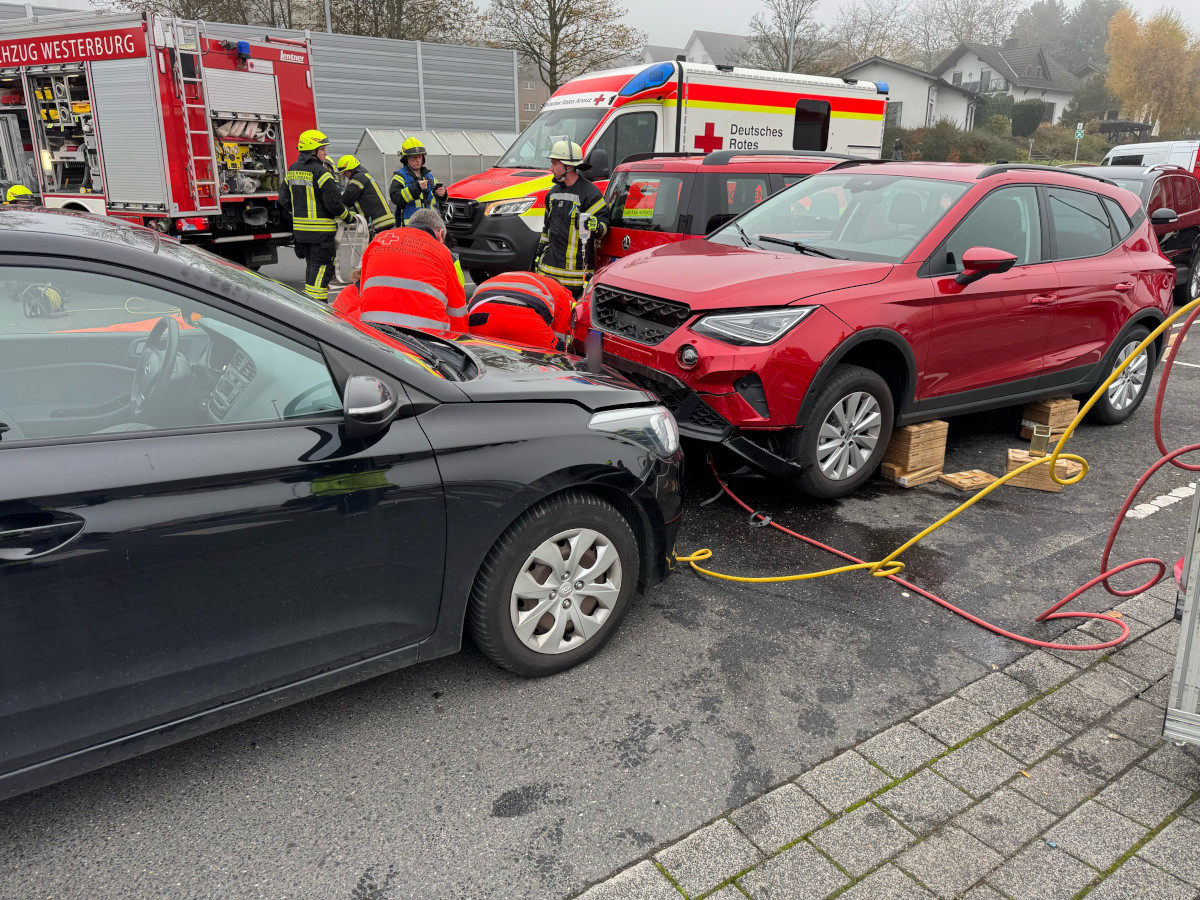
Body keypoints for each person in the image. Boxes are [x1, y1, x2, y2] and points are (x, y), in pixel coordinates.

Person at [339, 208, 467, 333]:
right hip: (426, 338)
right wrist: (461, 340)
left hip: (375, 334)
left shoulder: (380, 239)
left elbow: (363, 291)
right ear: (439, 234)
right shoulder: (442, 252)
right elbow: (457, 313)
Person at [280, 129, 352, 303]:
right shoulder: (322, 173)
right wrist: (348, 217)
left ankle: (310, 304)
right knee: (322, 270)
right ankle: (317, 307)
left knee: (312, 268)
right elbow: (334, 204)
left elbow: (284, 200)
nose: (326, 153)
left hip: (301, 234)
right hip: (321, 235)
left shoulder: (292, 170)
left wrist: (298, 216)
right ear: (312, 151)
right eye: (323, 149)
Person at [534, 140, 608, 297]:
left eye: (554, 163)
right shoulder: (552, 194)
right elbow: (547, 230)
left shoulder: (590, 194)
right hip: (548, 274)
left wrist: (596, 226)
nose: (551, 168)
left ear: (568, 166)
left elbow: (604, 228)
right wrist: (539, 253)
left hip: (575, 279)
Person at [468, 271, 574, 351]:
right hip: (525, 317)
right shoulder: (562, 293)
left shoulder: (514, 277)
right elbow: (560, 335)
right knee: (554, 356)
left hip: (481, 315)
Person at [390, 137, 447, 226]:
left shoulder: (429, 176)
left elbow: (438, 200)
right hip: (410, 226)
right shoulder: (399, 176)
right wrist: (417, 188)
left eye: (420, 156)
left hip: (430, 225)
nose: (418, 160)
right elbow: (396, 198)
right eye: (414, 157)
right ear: (406, 158)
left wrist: (443, 194)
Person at [336, 155, 395, 234]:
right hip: (383, 220)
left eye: (345, 172)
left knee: (376, 242)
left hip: (378, 222)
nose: (344, 175)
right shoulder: (363, 176)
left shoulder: (357, 179)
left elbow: (346, 199)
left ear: (352, 170)